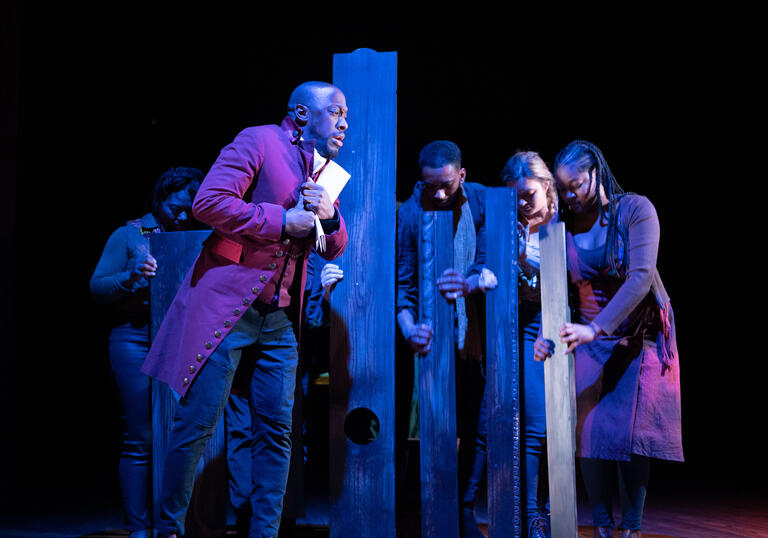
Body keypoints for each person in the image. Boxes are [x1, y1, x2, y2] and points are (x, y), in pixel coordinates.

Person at [140, 81, 349, 538]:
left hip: (281, 317)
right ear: (300, 114)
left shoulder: (323, 169)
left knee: (277, 431)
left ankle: (264, 534)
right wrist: (280, 220)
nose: (343, 123)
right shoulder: (259, 140)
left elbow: (333, 247)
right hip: (229, 308)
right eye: (335, 112)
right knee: (197, 423)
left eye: (345, 115)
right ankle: (168, 530)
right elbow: (208, 202)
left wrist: (329, 215)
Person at [534, 140, 682, 538]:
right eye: (562, 189)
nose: (569, 196)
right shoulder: (558, 229)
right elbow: (547, 287)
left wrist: (596, 327)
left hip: (639, 337)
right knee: (591, 433)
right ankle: (600, 527)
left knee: (629, 436)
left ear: (596, 172)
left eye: (576, 185)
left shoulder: (636, 210)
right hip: (588, 340)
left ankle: (631, 529)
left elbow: (641, 277)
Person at [89, 166, 205, 538]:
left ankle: (179, 523)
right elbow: (96, 287)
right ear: (158, 200)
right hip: (135, 338)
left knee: (183, 432)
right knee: (141, 435)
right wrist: (130, 277)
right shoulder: (130, 234)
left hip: (184, 340)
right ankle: (139, 528)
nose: (182, 216)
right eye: (175, 208)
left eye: (190, 209)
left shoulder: (196, 236)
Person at [396, 140, 493, 538]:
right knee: (428, 424)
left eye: (447, 186)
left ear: (462, 176)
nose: (438, 193)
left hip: (477, 335)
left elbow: (489, 259)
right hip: (431, 339)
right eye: (430, 185)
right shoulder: (410, 211)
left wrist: (469, 282)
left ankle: (465, 505)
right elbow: (403, 284)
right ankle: (422, 505)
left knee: (478, 423)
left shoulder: (484, 201)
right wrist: (408, 328)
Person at [500, 151, 558, 538]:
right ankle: (530, 512)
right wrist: (516, 258)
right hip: (519, 323)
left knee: (555, 424)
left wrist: (527, 262)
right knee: (530, 420)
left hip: (557, 322)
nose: (523, 204)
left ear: (547, 189)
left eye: (530, 195)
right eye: (516, 196)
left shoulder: (560, 225)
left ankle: (551, 510)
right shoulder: (508, 224)